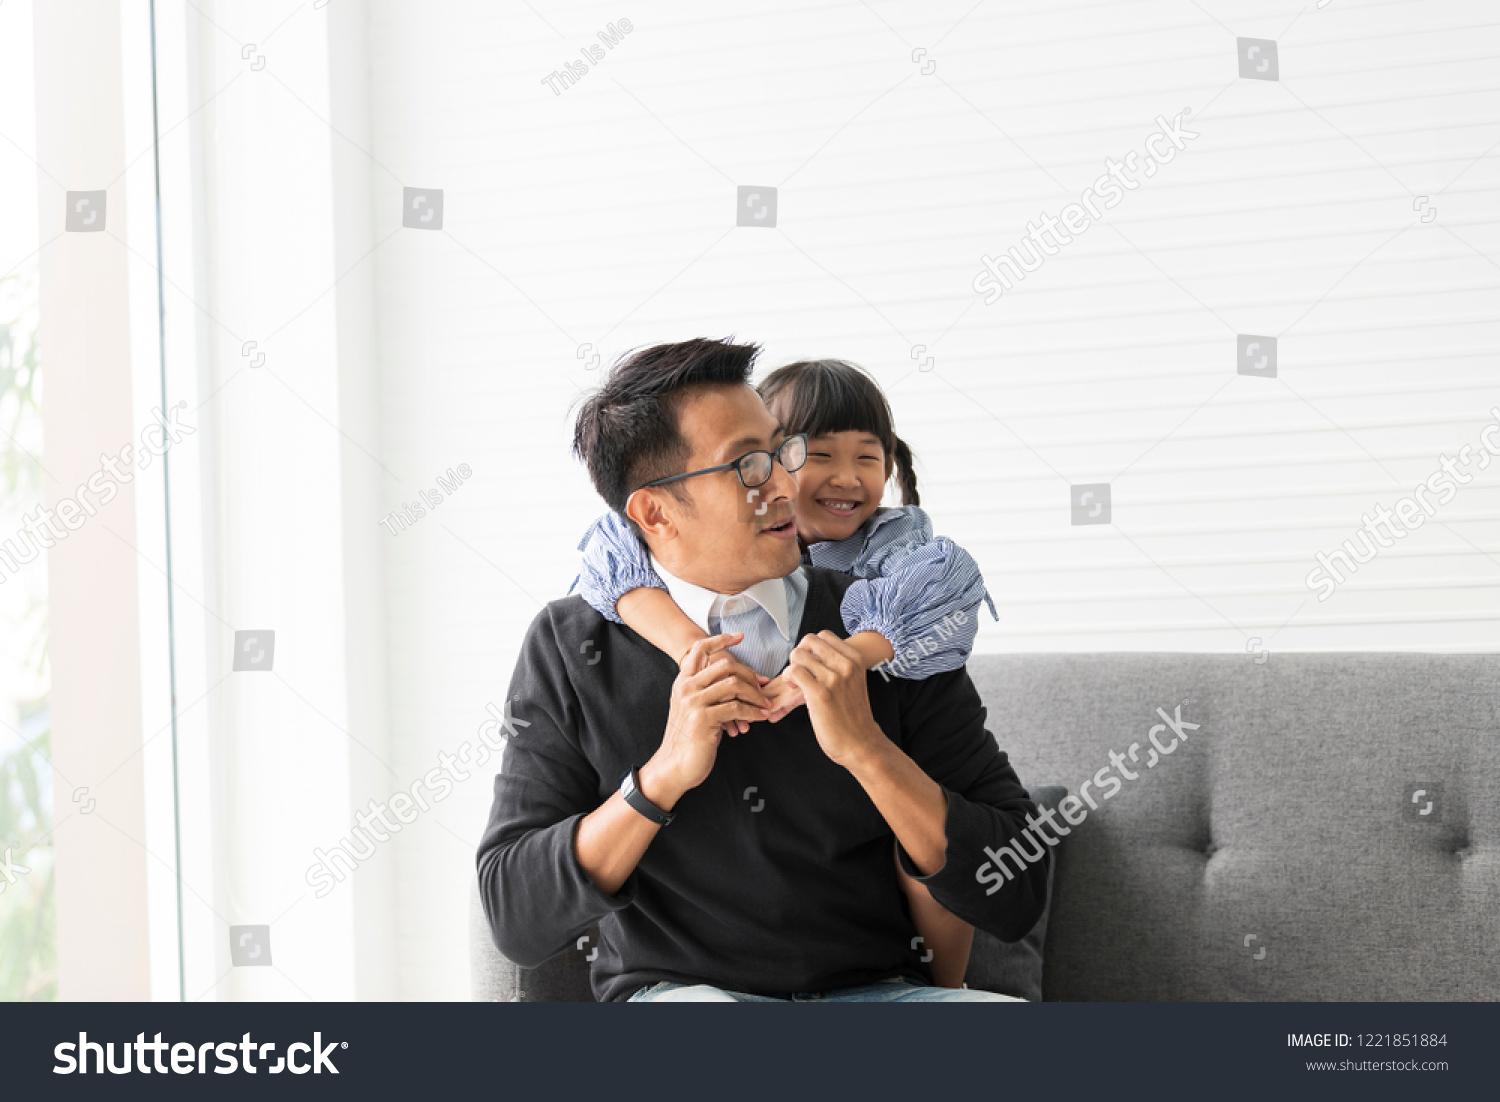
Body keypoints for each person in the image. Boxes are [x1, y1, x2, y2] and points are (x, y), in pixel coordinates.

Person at [477, 337, 1048, 1002]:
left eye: (781, 450)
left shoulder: (882, 626)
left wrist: (866, 749)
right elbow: (514, 916)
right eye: (748, 465)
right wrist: (661, 778)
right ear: (654, 513)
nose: (784, 483)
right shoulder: (572, 645)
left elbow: (1017, 890)